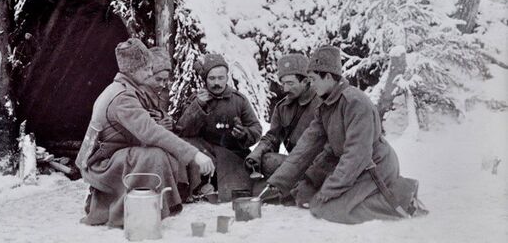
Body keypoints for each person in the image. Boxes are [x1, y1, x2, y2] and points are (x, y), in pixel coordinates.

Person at [265, 45, 426, 224]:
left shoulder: (355, 102)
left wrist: (329, 190)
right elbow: (306, 146)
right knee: (304, 196)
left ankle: (402, 195)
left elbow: (357, 155)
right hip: (352, 164)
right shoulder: (326, 106)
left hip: (374, 166)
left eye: (313, 79)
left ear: (327, 76)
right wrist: (279, 181)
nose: (311, 84)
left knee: (329, 208)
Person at [75, 38, 214, 227]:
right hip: (103, 164)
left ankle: (147, 207)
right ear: (134, 70)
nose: (150, 73)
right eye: (148, 69)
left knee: (159, 152)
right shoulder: (123, 97)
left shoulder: (122, 89)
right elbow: (151, 132)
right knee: (153, 156)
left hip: (109, 156)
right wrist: (195, 155)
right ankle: (128, 212)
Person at [176, 53, 262, 202]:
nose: (217, 83)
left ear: (227, 78)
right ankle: (198, 185)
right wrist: (198, 106)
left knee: (238, 191)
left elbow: (256, 128)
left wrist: (244, 134)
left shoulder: (239, 100)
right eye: (212, 78)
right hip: (205, 154)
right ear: (205, 80)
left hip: (232, 154)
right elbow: (182, 131)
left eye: (221, 78)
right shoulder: (196, 99)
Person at [245, 54, 321, 198]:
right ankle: (294, 186)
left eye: (290, 83)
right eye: (283, 83)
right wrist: (257, 154)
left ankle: (297, 187)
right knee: (266, 159)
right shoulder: (282, 107)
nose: (285, 89)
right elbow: (272, 137)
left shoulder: (321, 104)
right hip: (293, 163)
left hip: (317, 163)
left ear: (305, 81)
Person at [140, 46, 173, 131]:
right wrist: (158, 127)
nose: (162, 84)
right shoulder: (137, 95)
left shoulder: (154, 94)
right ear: (148, 75)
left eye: (165, 80)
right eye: (158, 79)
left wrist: (165, 118)